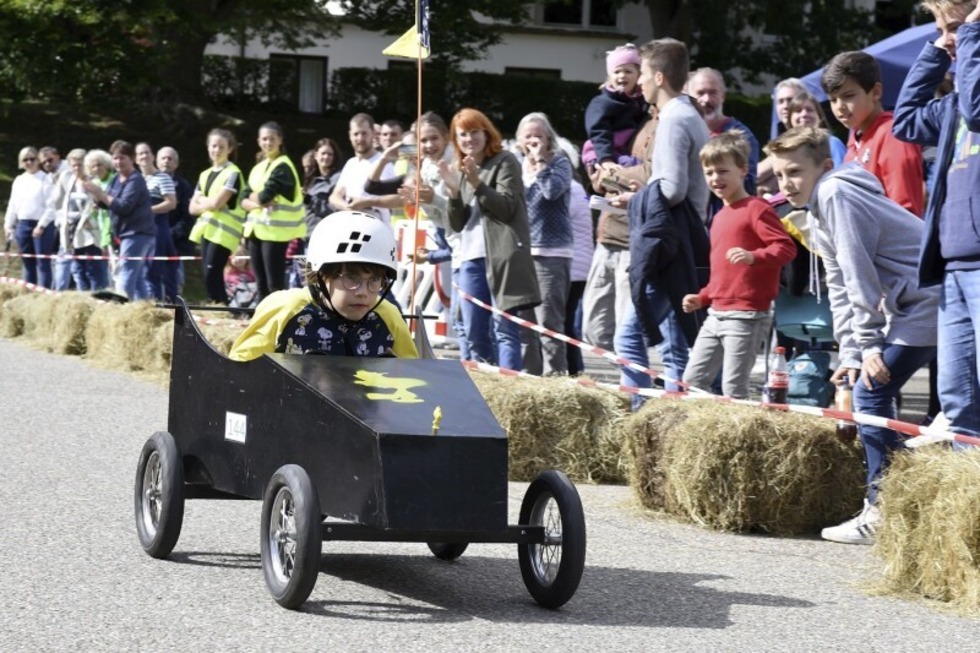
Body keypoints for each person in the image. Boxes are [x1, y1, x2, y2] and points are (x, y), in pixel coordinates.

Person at [767, 126, 939, 545]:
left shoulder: (836, 194)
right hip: (911, 304)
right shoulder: (815, 209)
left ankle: (883, 508)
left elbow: (859, 273)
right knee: (868, 387)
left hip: (930, 300)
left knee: (871, 392)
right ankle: (905, 499)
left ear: (824, 167)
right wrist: (851, 351)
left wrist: (870, 345)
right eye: (778, 176)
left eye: (794, 172)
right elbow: (839, 286)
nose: (786, 184)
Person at [892, 0, 980, 443]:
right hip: (953, 268)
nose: (948, 39)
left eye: (953, 28)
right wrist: (936, 50)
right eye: (940, 30)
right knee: (958, 399)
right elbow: (905, 122)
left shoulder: (974, 98)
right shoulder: (953, 105)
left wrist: (971, 35)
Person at [611, 38, 710, 405]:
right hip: (683, 237)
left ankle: (641, 416)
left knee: (627, 338)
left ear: (659, 76)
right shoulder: (688, 115)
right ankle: (671, 418)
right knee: (674, 348)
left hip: (670, 241)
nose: (638, 85)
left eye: (643, 76)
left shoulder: (674, 118)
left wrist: (634, 199)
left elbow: (671, 189)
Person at [681, 131, 795, 398]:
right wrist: (704, 296)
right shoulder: (719, 216)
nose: (715, 179)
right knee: (692, 380)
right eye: (709, 172)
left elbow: (785, 248)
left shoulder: (757, 208)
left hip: (747, 316)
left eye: (722, 171)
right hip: (715, 314)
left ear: (744, 170)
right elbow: (722, 272)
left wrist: (754, 256)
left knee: (734, 387)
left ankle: (740, 439)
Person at [228, 211, 418, 362]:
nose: (363, 292)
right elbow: (241, 373)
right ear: (321, 274)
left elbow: (413, 379)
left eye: (375, 280)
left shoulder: (388, 316)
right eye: (351, 278)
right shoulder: (285, 308)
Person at [446, 107, 541, 370]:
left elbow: (507, 206)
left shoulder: (505, 160)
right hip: (470, 259)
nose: (469, 139)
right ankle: (482, 393)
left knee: (505, 331)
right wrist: (454, 192)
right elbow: (457, 223)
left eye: (474, 132)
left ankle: (507, 389)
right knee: (474, 333)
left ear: (487, 133)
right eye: (462, 134)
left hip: (502, 258)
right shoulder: (464, 168)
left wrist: (477, 183)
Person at [581, 109, 657, 352]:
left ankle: (630, 386)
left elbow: (650, 175)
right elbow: (609, 179)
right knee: (593, 328)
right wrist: (603, 180)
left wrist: (610, 171)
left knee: (627, 334)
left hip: (632, 242)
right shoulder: (635, 117)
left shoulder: (670, 123)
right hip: (606, 237)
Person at [821, 50, 925, 217]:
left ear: (876, 92)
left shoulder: (893, 134)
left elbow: (905, 210)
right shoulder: (854, 142)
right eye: (833, 100)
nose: (839, 106)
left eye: (848, 96)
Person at [515, 111, 573, 376]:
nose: (533, 141)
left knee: (549, 322)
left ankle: (555, 378)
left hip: (551, 253)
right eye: (528, 136)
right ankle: (529, 378)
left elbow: (551, 192)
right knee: (524, 325)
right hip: (522, 253)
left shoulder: (559, 163)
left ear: (549, 138)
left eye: (538, 136)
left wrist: (540, 164)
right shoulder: (516, 165)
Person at [82, 140, 156, 300]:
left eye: (122, 158)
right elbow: (107, 203)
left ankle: (119, 308)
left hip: (138, 233)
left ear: (131, 159)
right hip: (124, 233)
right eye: (115, 158)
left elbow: (123, 206)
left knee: (126, 273)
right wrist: (95, 196)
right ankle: (146, 309)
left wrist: (100, 193)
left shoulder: (135, 180)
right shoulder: (116, 179)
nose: (118, 162)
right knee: (137, 278)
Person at [240, 121, 306, 301]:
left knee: (274, 285)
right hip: (256, 231)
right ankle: (261, 320)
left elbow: (263, 196)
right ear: (258, 141)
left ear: (280, 140)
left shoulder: (283, 166)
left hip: (275, 234)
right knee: (260, 284)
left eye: (272, 139)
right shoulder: (258, 167)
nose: (268, 143)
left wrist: (255, 199)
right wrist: (257, 202)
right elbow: (243, 199)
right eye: (264, 139)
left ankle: (278, 322)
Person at [686, 67, 761, 221]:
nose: (706, 100)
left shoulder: (741, 136)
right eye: (700, 93)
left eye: (712, 92)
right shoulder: (685, 133)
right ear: (690, 97)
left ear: (723, 96)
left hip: (729, 219)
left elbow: (748, 184)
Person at [188, 128, 247, 305]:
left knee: (213, 272)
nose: (217, 150)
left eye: (221, 146)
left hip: (224, 232)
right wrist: (209, 202)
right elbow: (192, 208)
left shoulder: (233, 173)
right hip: (208, 230)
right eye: (213, 146)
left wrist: (203, 202)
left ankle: (220, 308)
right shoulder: (204, 174)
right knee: (208, 274)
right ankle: (219, 307)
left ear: (230, 149)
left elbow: (218, 203)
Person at [49, 148, 108, 291]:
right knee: (78, 270)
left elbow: (102, 205)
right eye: (73, 165)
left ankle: (99, 299)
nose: (76, 168)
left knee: (94, 270)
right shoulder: (67, 179)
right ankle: (83, 299)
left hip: (91, 232)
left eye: (79, 165)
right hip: (71, 231)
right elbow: (56, 202)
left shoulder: (95, 181)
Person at [583, 43, 647, 172]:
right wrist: (606, 159)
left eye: (628, 71)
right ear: (609, 77)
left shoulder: (641, 101)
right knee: (630, 167)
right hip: (602, 153)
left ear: (638, 76)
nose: (622, 75)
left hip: (622, 151)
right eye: (617, 72)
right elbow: (599, 132)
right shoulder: (602, 102)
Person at [329, 113, 400, 223]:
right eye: (356, 134)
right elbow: (334, 196)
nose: (360, 138)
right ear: (350, 135)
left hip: (375, 224)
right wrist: (347, 207)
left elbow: (397, 200)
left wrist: (367, 202)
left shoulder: (384, 162)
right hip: (351, 222)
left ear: (373, 134)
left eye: (364, 133)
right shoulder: (351, 164)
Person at [4, 147, 56, 288]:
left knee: (42, 263)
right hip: (23, 225)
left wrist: (41, 225)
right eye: (25, 159)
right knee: (27, 263)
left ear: (38, 160)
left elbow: (51, 207)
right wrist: (8, 225)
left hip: (42, 225)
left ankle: (44, 294)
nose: (28, 162)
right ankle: (28, 293)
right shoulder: (19, 180)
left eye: (32, 159)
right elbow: (12, 205)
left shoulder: (45, 179)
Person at [135, 142, 178, 302]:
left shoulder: (163, 177)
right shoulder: (136, 179)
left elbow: (171, 203)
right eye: (140, 154)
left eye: (147, 152)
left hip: (158, 228)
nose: (144, 156)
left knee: (155, 269)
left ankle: (165, 305)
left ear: (152, 156)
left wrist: (148, 211)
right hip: (140, 229)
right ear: (136, 159)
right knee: (144, 270)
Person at [157, 146, 197, 294]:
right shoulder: (147, 183)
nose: (166, 161)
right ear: (157, 162)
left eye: (170, 158)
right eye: (163, 158)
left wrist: (171, 234)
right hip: (151, 238)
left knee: (175, 279)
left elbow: (188, 215)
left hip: (175, 241)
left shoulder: (184, 187)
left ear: (176, 164)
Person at [786, 91, 848, 166]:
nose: (804, 114)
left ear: (820, 117)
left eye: (809, 110)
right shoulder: (786, 148)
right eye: (798, 111)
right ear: (790, 118)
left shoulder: (831, 144)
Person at [84, 149, 115, 288]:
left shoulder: (114, 179)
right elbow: (94, 208)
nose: (97, 168)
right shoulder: (93, 183)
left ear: (107, 164)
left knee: (116, 265)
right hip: (100, 227)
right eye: (93, 166)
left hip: (114, 226)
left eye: (100, 164)